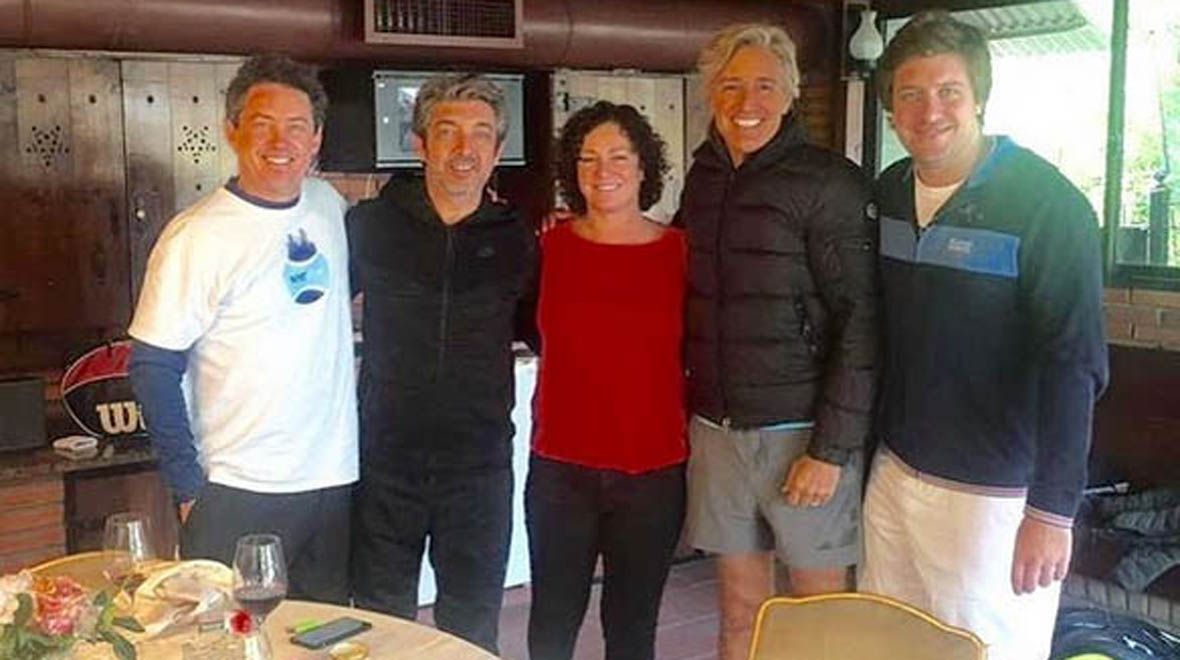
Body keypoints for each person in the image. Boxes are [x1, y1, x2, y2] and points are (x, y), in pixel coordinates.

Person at [859, 12, 1109, 660]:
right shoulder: (888, 193)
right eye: (910, 94)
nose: (929, 111)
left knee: (985, 651)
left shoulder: (1047, 205)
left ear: (979, 98)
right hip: (894, 473)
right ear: (891, 110)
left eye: (949, 91)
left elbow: (1074, 363)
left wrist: (1052, 512)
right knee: (888, 645)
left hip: (992, 497)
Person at [677, 23, 879, 660]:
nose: (748, 102)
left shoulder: (830, 182)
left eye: (765, 85)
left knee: (818, 621)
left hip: (802, 435)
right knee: (740, 612)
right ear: (711, 93)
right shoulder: (704, 176)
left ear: (791, 94)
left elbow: (861, 321)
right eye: (731, 86)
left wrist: (831, 450)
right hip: (719, 430)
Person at [127, 54, 357, 604]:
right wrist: (188, 488)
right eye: (262, 123)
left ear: (316, 139)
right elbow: (152, 367)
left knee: (321, 633)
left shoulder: (328, 207)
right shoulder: (197, 236)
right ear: (232, 130)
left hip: (331, 480)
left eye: (296, 126)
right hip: (237, 486)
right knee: (225, 633)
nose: (281, 141)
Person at [347, 74, 536, 654]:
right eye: (448, 131)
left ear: (497, 151)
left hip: (478, 468)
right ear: (420, 144)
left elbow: (542, 329)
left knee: (471, 630)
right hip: (384, 461)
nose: (464, 148)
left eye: (480, 134)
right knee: (380, 627)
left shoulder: (518, 238)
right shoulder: (370, 226)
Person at [527, 101, 687, 660]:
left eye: (619, 156)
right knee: (551, 625)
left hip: (652, 471)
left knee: (632, 629)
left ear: (644, 168)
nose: (603, 171)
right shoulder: (548, 248)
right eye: (588, 158)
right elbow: (526, 328)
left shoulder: (680, 252)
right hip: (561, 470)